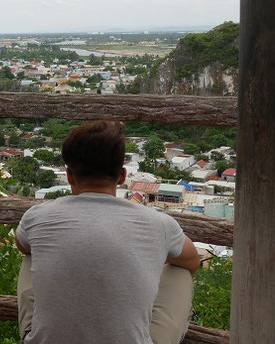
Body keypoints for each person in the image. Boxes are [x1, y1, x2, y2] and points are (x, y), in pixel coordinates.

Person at [15, 120, 200, 344]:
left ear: (69, 175)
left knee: (31, 253)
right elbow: (192, 262)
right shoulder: (159, 224)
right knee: (180, 273)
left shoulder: (37, 217)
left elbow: (22, 245)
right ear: (122, 176)